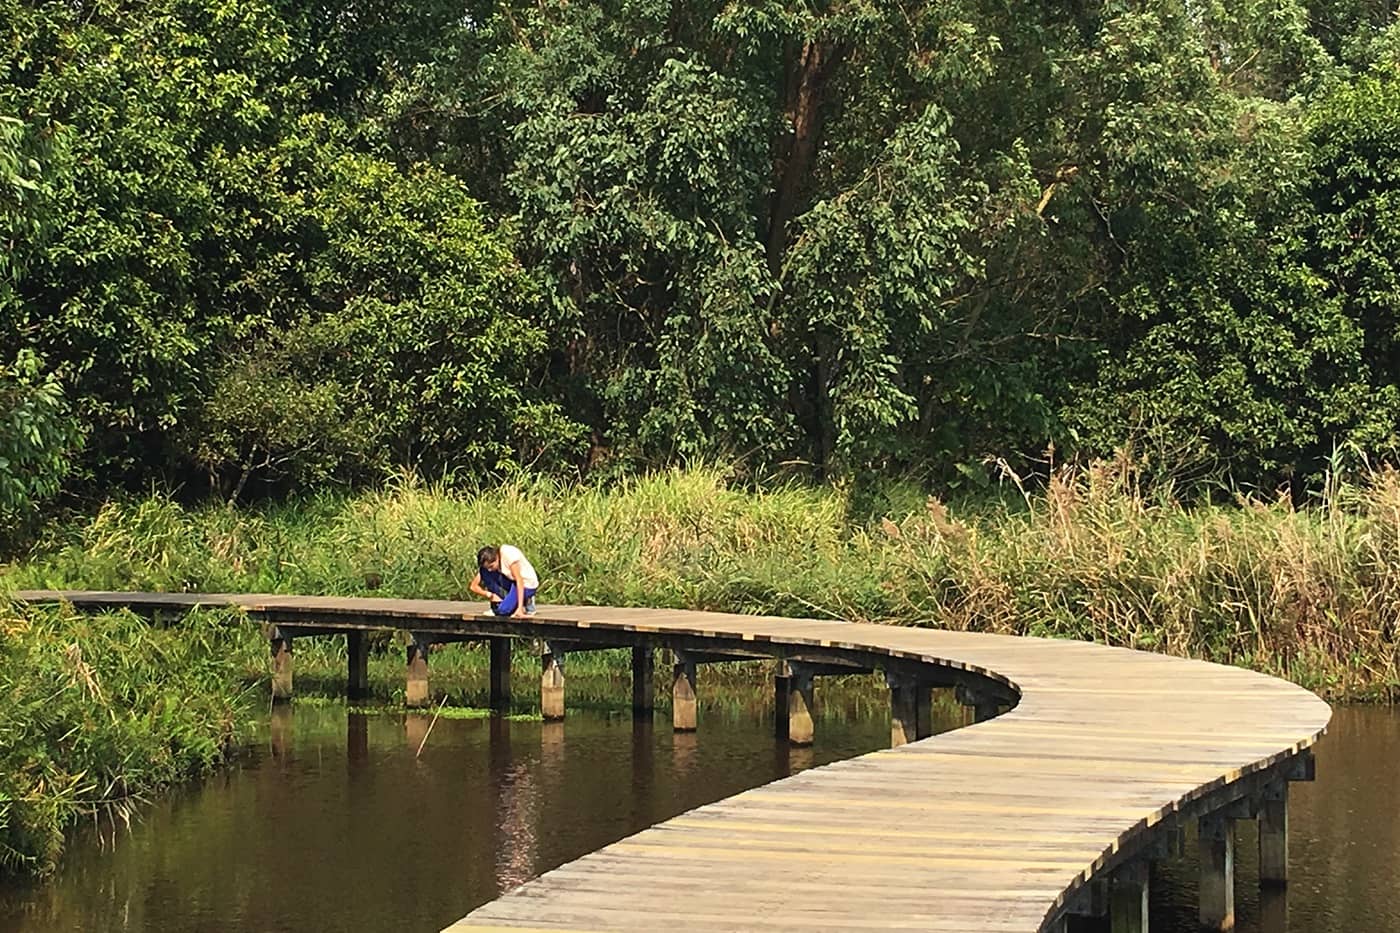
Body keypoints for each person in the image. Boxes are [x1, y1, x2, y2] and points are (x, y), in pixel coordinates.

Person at [469, 544, 538, 617]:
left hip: (526, 585)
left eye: (491, 566)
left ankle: (526, 601)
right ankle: (501, 603)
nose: (490, 569)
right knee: (484, 571)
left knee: (503, 611)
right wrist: (490, 595)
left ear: (496, 558)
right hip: (512, 581)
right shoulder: (492, 566)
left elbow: (519, 580)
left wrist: (520, 609)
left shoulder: (508, 555)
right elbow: (473, 586)